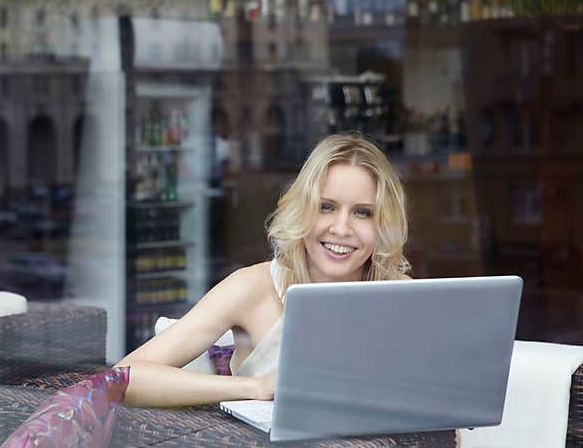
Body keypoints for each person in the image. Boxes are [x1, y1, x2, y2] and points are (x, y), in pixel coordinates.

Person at [117, 132, 412, 407]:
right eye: (326, 207)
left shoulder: (403, 294)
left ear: (383, 223)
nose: (341, 228)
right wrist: (253, 388)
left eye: (363, 213)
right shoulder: (253, 288)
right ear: (301, 209)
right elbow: (124, 378)